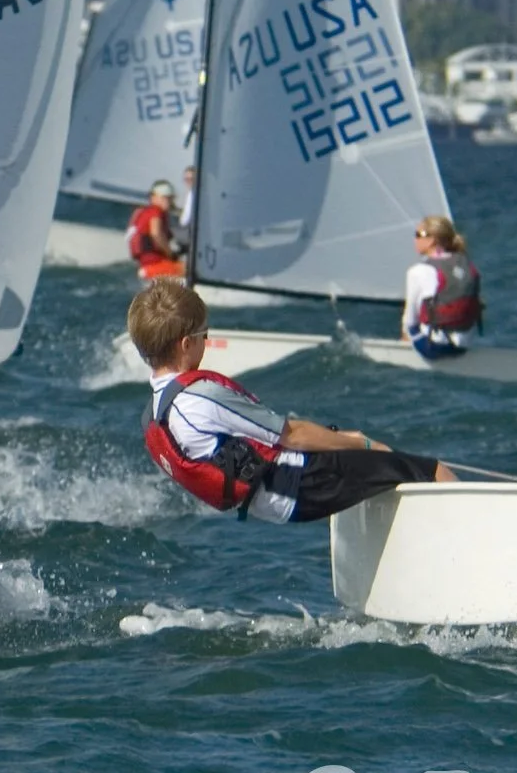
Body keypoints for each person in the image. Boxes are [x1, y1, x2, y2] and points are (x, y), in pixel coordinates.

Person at [129, 279, 454, 521]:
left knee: (377, 475)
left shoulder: (156, 410)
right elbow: (292, 434)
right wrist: (359, 444)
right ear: (186, 344)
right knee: (431, 469)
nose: (207, 340)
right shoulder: (201, 397)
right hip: (299, 484)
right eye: (204, 333)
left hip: (269, 502)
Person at [403, 215, 484, 361]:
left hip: (433, 347)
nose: (415, 239)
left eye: (418, 235)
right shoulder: (464, 263)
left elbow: (410, 319)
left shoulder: (417, 271)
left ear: (432, 240)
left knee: (411, 326)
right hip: (465, 344)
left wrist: (405, 338)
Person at [126, 180, 185, 281]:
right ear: (153, 197)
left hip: (145, 266)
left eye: (169, 198)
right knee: (189, 269)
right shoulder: (156, 212)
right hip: (155, 265)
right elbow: (156, 234)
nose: (167, 201)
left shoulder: (140, 212)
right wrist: (170, 254)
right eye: (164, 197)